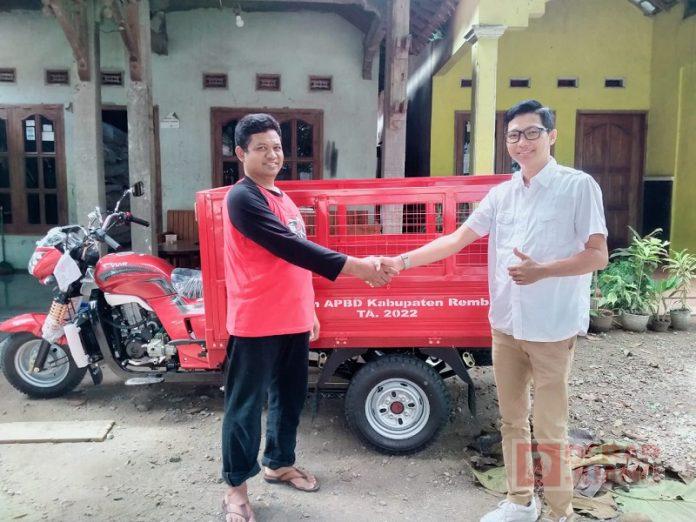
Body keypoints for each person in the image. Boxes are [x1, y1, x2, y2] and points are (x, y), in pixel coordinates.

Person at [381, 100, 608, 522]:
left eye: (532, 132)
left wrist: (543, 271)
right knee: (512, 420)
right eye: (514, 135)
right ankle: (521, 501)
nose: (522, 142)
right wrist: (402, 261)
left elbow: (598, 255)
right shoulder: (502, 194)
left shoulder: (578, 187)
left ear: (552, 136)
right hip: (506, 326)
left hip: (551, 328)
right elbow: (456, 239)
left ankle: (560, 512)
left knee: (551, 428)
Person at [220, 113, 394, 522]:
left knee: (289, 397)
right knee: (245, 408)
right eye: (261, 148)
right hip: (256, 322)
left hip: (293, 319)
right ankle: (235, 490)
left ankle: (279, 464)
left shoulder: (282, 198)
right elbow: (290, 247)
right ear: (241, 153)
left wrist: (309, 307)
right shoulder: (242, 198)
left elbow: (294, 262)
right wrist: (357, 267)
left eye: (277, 147)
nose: (272, 155)